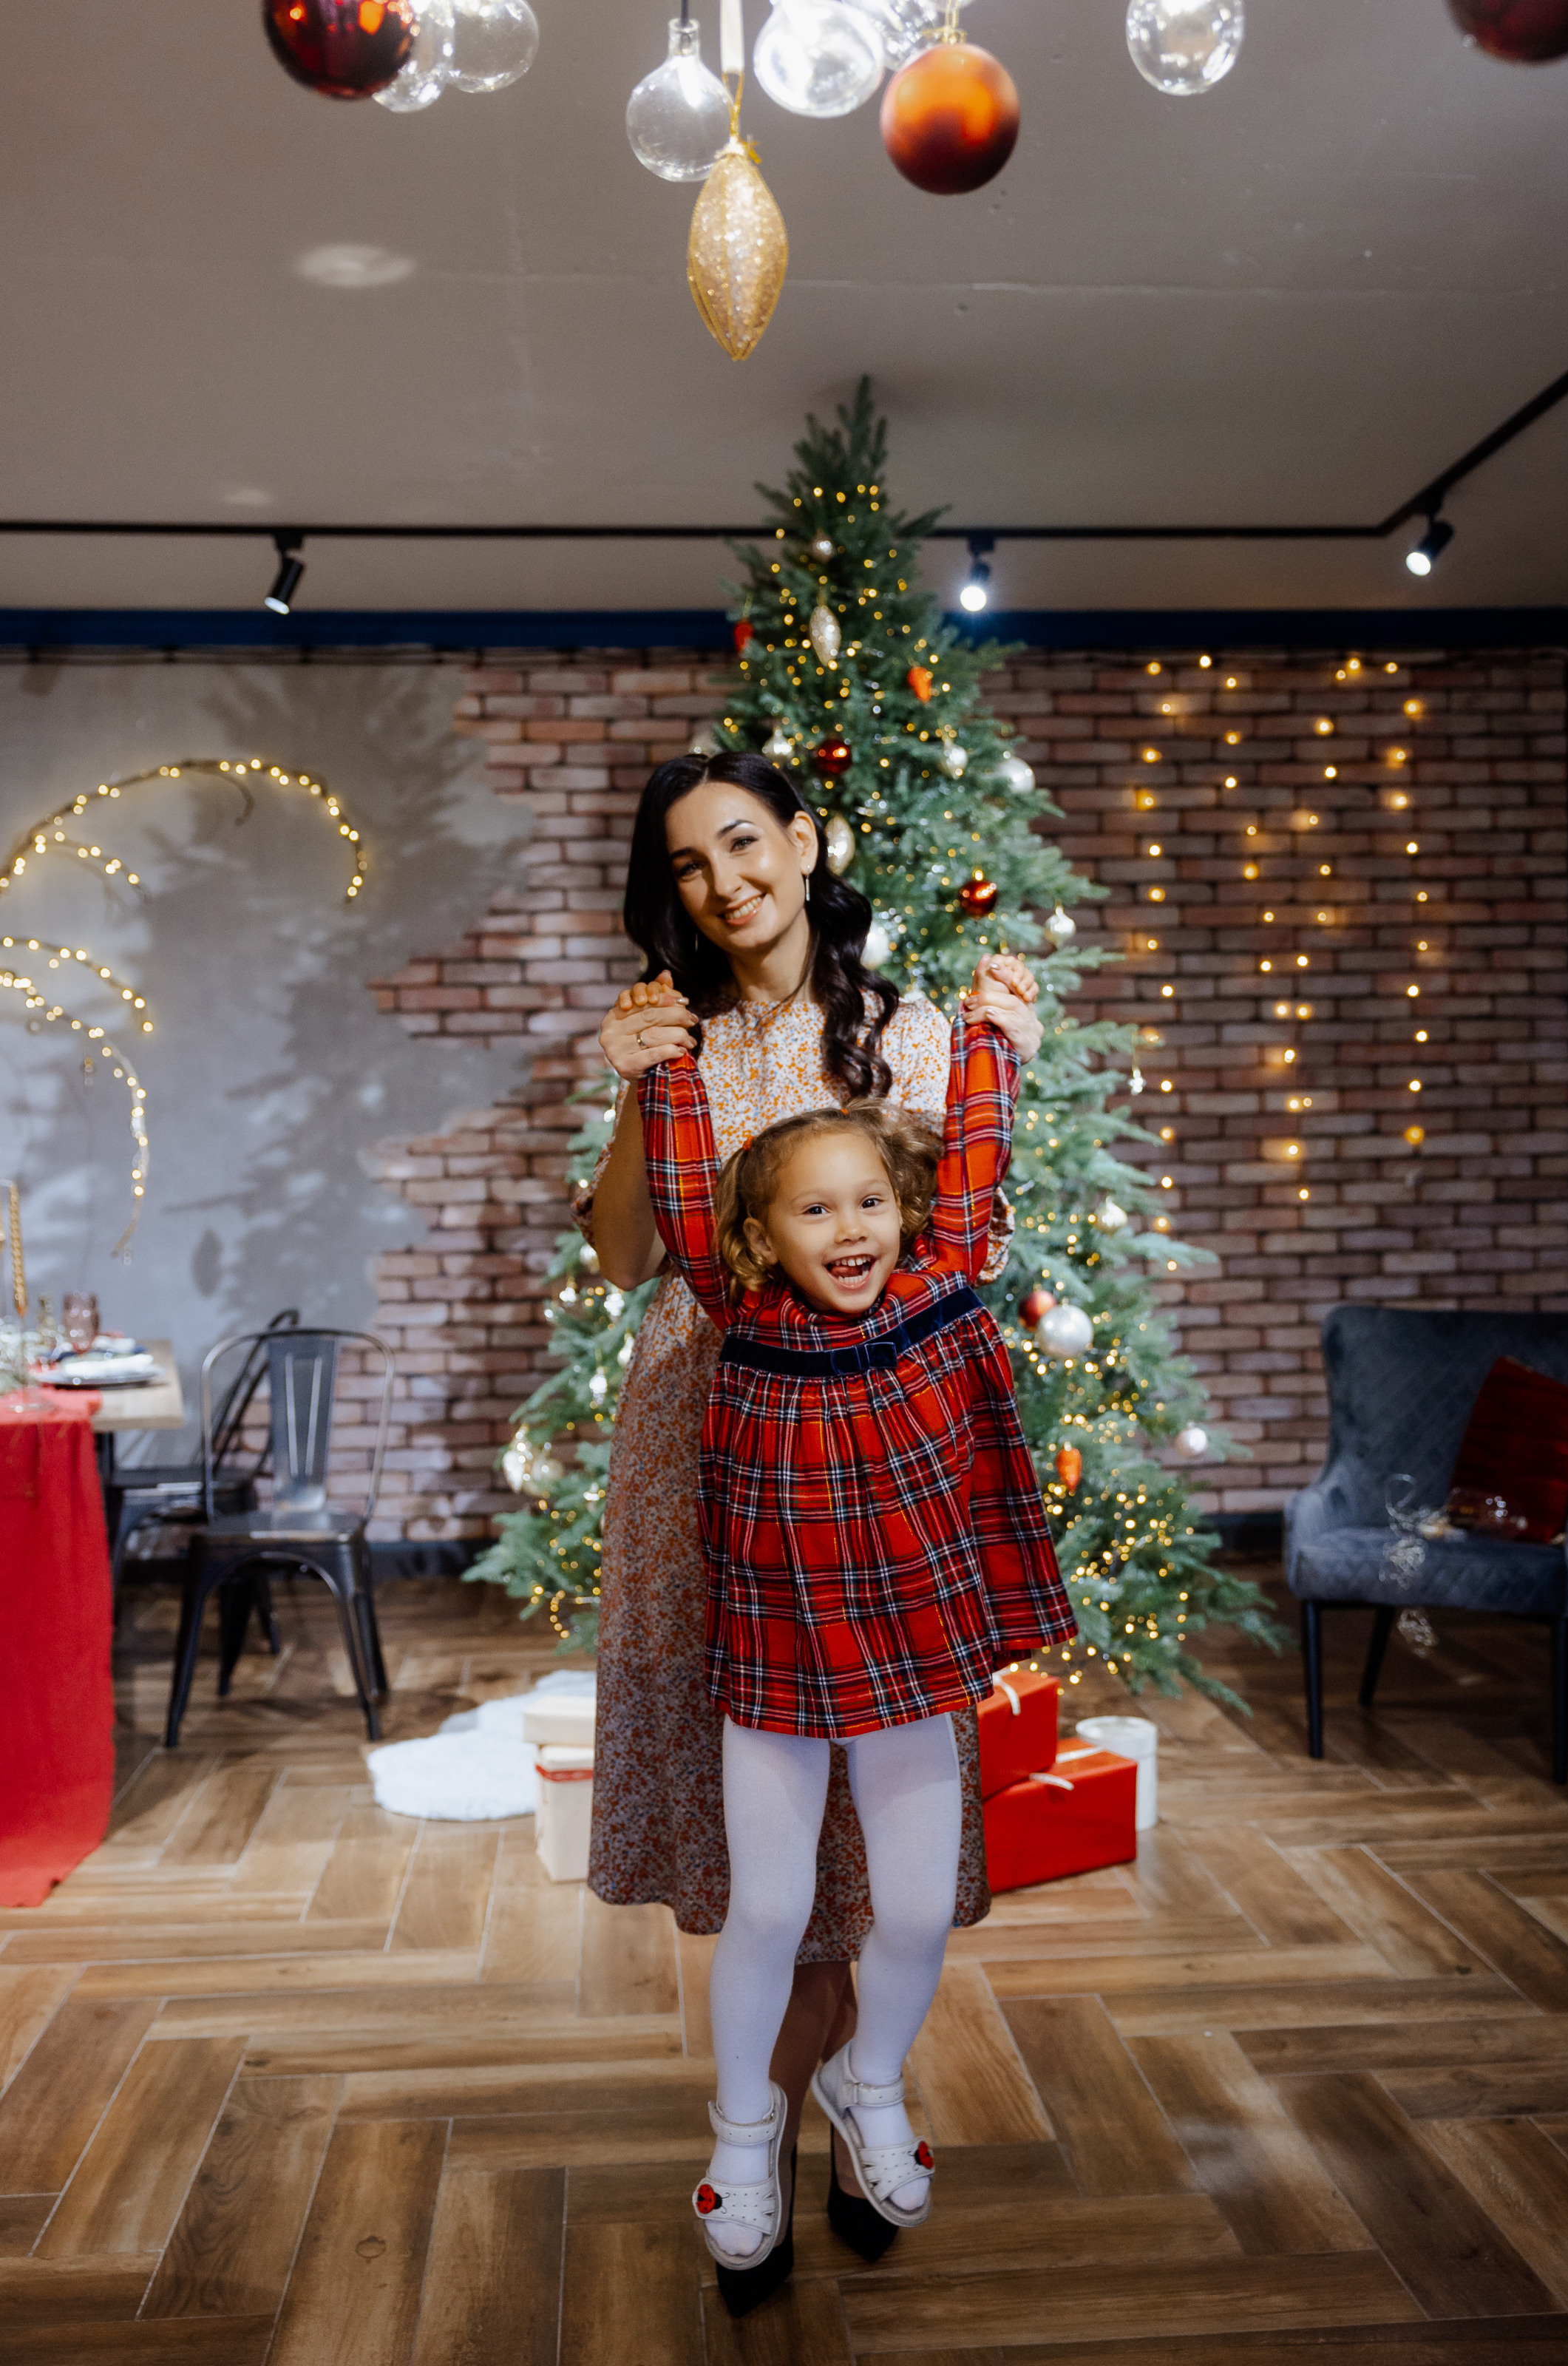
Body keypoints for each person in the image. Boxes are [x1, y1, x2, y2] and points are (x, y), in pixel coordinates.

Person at [577, 750, 1040, 2308]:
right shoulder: (676, 1047)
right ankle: (751, 2139)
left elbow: (954, 1223)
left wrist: (1003, 1058)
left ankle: (863, 2109)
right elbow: (622, 1254)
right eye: (689, 865)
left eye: (742, 842)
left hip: (873, 1468)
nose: (723, 881)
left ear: (801, 840)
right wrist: (637, 1090)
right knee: (760, 1839)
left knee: (879, 1842)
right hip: (707, 1458)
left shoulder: (904, 1032)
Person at [635, 967, 1076, 2273]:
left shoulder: (941, 1287)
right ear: (763, 1240)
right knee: (768, 1913)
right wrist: (662, 1077)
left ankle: (867, 2083)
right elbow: (673, 1195)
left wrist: (992, 1035)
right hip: (773, 1661)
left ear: (907, 1213)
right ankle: (740, 2127)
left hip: (912, 1651)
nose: (850, 1229)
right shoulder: (740, 1317)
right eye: (815, 1209)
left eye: (871, 1201)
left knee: (922, 1910)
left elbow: (981, 1154)